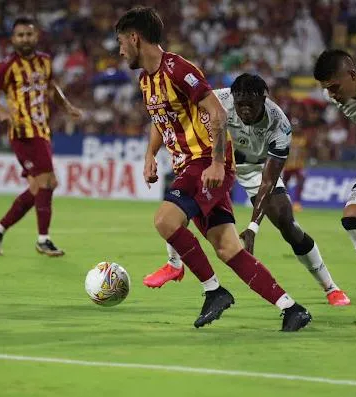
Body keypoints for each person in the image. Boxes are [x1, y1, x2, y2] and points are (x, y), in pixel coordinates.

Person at [116, 6, 311, 331]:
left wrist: (219, 162)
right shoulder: (146, 81)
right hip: (190, 168)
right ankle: (291, 308)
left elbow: (217, 112)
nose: (120, 51)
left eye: (122, 43)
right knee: (228, 249)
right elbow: (160, 119)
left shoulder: (178, 68)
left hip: (205, 163)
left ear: (135, 38)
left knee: (164, 220)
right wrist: (150, 154)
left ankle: (214, 291)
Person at [144, 73, 350, 307]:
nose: (244, 111)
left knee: (286, 223)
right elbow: (171, 114)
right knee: (185, 201)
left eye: (250, 105)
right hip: (215, 163)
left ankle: (330, 287)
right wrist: (153, 152)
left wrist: (252, 227)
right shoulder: (218, 99)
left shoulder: (279, 124)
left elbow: (268, 180)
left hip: (256, 168)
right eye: (240, 105)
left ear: (264, 99)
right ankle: (174, 263)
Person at [0, 17, 82, 256]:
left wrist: (67, 106)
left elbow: (51, 88)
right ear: (13, 39)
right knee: (48, 182)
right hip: (23, 132)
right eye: (20, 35)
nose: (25, 39)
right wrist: (3, 113)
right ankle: (43, 239)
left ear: (36, 36)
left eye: (29, 34)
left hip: (42, 130)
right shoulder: (5, 67)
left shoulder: (45, 61)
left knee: (40, 187)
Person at [314, 49, 356, 328]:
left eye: (334, 87)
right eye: (326, 89)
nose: (331, 95)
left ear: (353, 76)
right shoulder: (342, 95)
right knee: (354, 218)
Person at [282, 118, 307, 212]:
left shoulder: (303, 138)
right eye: (294, 126)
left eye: (297, 126)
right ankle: (284, 202)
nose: (295, 128)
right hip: (288, 165)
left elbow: (305, 152)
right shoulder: (287, 137)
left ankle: (297, 203)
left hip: (298, 165)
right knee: (284, 184)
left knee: (300, 182)